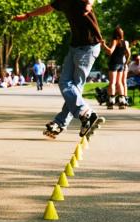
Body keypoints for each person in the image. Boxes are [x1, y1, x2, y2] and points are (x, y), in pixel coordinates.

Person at [14, 0, 103, 137]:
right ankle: (66, 121)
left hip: (88, 47)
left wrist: (90, 3)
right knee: (67, 84)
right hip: (75, 47)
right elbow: (48, 8)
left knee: (73, 85)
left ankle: (83, 115)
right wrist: (28, 15)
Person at [101, 26, 131, 109]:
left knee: (112, 83)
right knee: (120, 82)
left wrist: (104, 45)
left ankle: (111, 101)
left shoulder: (115, 41)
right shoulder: (126, 42)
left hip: (114, 63)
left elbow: (110, 52)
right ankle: (122, 101)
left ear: (114, 34)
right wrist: (125, 62)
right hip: (121, 64)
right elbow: (128, 53)